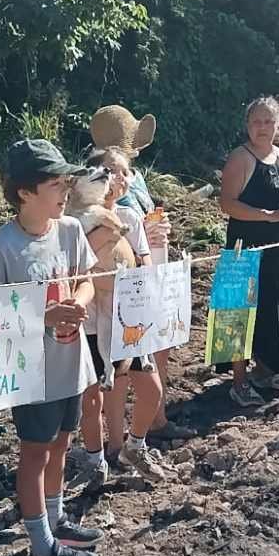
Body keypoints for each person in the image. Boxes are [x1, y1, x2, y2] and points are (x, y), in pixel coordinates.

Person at [0, 139, 104, 556]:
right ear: (24, 192)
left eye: (67, 180)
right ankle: (41, 547)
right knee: (35, 452)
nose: (66, 189)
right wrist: (44, 315)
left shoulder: (69, 230)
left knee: (61, 444)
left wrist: (81, 301)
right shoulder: (2, 247)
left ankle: (56, 518)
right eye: (55, 182)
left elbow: (86, 278)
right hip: (31, 372)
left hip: (70, 362)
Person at [89, 106, 197, 443]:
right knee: (119, 368)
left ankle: (153, 422)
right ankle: (119, 441)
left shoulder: (135, 182)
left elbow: (141, 229)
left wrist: (156, 230)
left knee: (153, 350)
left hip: (141, 278)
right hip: (113, 289)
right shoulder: (95, 204)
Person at [72, 147, 168, 487]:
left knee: (151, 390)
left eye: (125, 173)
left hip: (129, 318)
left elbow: (145, 260)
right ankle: (96, 457)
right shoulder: (75, 222)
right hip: (94, 320)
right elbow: (81, 261)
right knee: (94, 394)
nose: (119, 180)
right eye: (110, 172)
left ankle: (134, 445)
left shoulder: (130, 218)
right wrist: (108, 227)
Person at [217, 97, 279, 407]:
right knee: (238, 310)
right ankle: (239, 382)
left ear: (278, 125)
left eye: (269, 121)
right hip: (246, 247)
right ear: (247, 125)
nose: (263, 127)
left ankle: (266, 369)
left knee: (273, 306)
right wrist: (269, 215)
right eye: (257, 121)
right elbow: (227, 204)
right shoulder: (240, 158)